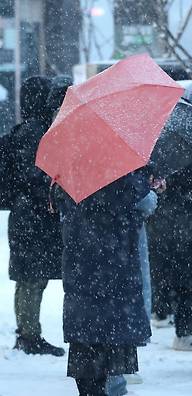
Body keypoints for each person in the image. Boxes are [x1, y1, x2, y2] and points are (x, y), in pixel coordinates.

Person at [57, 171, 153, 396]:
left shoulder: (72, 170)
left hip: (82, 265)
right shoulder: (116, 172)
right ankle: (109, 384)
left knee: (88, 338)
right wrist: (145, 196)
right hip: (110, 265)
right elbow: (124, 207)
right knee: (107, 335)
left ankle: (99, 386)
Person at [5, 75, 65, 356]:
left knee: (30, 276)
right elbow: (35, 176)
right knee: (32, 277)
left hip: (25, 215)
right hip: (33, 216)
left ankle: (28, 333)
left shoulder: (23, 130)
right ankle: (29, 336)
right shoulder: (36, 133)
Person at [148, 162, 192, 351]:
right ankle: (185, 330)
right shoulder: (182, 160)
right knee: (187, 277)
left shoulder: (169, 153)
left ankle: (187, 325)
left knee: (183, 276)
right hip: (182, 221)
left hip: (175, 220)